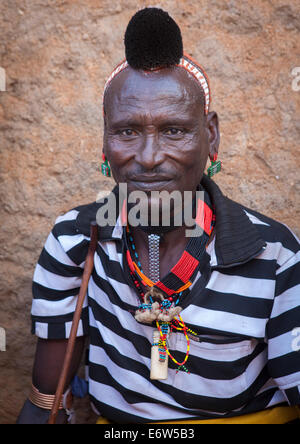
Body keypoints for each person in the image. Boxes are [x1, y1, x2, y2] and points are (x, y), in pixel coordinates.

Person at [17, 8, 300, 424]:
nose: (148, 159)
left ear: (211, 136)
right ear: (105, 141)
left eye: (174, 131)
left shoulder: (275, 258)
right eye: (128, 131)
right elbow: (47, 404)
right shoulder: (75, 242)